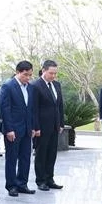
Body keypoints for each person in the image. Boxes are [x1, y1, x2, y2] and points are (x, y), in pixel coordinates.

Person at [0, 60, 37, 197]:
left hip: (27, 129)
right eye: (25, 75)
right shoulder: (8, 86)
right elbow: (5, 109)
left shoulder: (30, 88)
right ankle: (11, 185)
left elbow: (31, 110)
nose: (28, 78)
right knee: (12, 158)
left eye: (30, 75)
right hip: (13, 130)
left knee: (26, 157)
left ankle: (22, 183)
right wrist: (9, 129)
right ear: (18, 72)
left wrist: (32, 127)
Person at [31, 60, 65, 190]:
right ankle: (41, 180)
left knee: (52, 153)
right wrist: (36, 127)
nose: (53, 76)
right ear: (44, 70)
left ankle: (50, 178)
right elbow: (34, 109)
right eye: (51, 73)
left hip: (55, 126)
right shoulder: (35, 85)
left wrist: (61, 123)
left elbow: (60, 105)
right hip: (42, 126)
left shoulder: (56, 85)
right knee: (41, 153)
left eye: (55, 73)